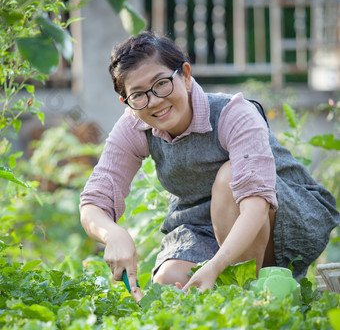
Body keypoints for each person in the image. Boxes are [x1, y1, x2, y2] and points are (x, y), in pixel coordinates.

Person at [79, 31, 340, 303]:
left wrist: (216, 267)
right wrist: (114, 234)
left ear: (186, 75)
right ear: (128, 103)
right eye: (138, 95)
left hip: (280, 214)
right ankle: (230, 301)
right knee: (170, 282)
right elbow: (94, 201)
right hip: (202, 225)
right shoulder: (136, 124)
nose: (154, 101)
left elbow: (256, 205)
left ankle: (251, 300)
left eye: (161, 84)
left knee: (229, 180)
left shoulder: (233, 113)